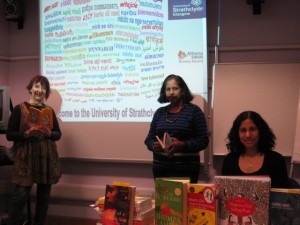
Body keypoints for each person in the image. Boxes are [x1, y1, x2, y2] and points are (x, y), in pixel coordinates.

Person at [6, 75, 62, 225]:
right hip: (25, 158)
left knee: (43, 197)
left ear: (46, 92)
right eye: (37, 86)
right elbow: (9, 134)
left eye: (44, 88)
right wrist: (25, 134)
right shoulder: (19, 108)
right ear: (30, 89)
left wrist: (50, 134)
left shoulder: (49, 110)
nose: (40, 90)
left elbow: (58, 134)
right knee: (20, 196)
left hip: (46, 157)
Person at [144, 74, 209, 183]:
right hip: (161, 170)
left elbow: (203, 141)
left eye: (175, 88)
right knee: (164, 200)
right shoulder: (160, 112)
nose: (171, 92)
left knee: (185, 200)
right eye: (168, 89)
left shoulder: (194, 111)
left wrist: (182, 144)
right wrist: (154, 145)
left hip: (186, 171)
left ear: (183, 91)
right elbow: (148, 139)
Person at [221, 110, 289, 188]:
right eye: (243, 130)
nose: (248, 135)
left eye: (252, 129)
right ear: (237, 133)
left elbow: (281, 197)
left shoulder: (277, 161)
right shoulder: (229, 161)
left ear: (261, 131)